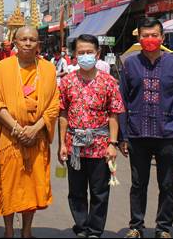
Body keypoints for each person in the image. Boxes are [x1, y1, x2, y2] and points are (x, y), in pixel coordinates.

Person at [119, 18, 173, 239]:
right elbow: (121, 101)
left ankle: (163, 227)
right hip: (137, 132)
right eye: (145, 35)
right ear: (138, 38)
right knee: (138, 184)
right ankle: (136, 226)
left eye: (154, 35)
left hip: (168, 133)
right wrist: (122, 136)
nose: (150, 40)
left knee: (167, 184)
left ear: (162, 37)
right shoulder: (129, 63)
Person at [0, 26, 60, 238]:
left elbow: (53, 105)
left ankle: (26, 231)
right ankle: (8, 231)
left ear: (38, 44)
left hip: (36, 137)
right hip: (9, 136)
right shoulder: (2, 68)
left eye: (32, 39)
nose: (28, 43)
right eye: (23, 39)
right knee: (8, 186)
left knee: (31, 187)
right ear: (15, 42)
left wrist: (35, 129)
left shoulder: (48, 69)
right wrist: (18, 129)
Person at [58, 34, 124, 238]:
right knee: (76, 191)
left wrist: (113, 143)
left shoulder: (109, 81)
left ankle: (95, 230)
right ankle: (81, 226)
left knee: (99, 192)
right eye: (81, 52)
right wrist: (61, 144)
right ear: (74, 55)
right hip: (74, 145)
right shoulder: (67, 82)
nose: (85, 55)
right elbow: (62, 113)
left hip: (100, 145)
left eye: (89, 52)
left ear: (98, 53)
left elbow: (114, 114)